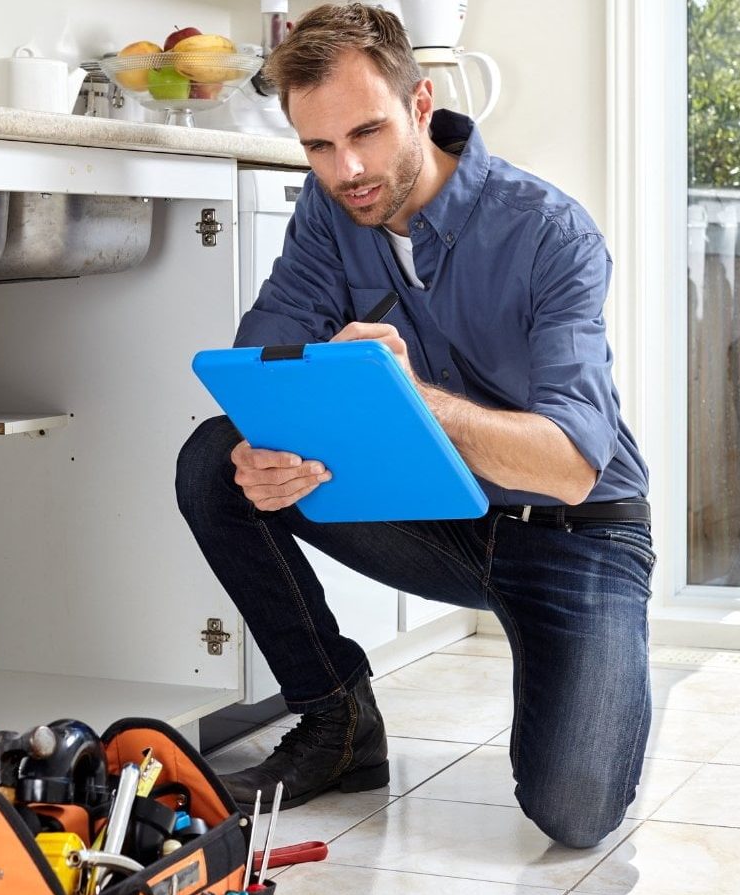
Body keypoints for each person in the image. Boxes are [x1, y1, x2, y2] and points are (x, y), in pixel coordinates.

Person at [176, 3, 654, 850]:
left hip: (577, 533)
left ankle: (581, 660)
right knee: (216, 461)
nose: (347, 168)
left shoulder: (550, 231)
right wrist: (267, 446)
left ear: (421, 104)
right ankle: (338, 726)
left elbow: (576, 464)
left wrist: (414, 395)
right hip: (443, 517)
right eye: (318, 147)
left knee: (575, 813)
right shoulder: (330, 213)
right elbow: (266, 352)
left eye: (366, 132)